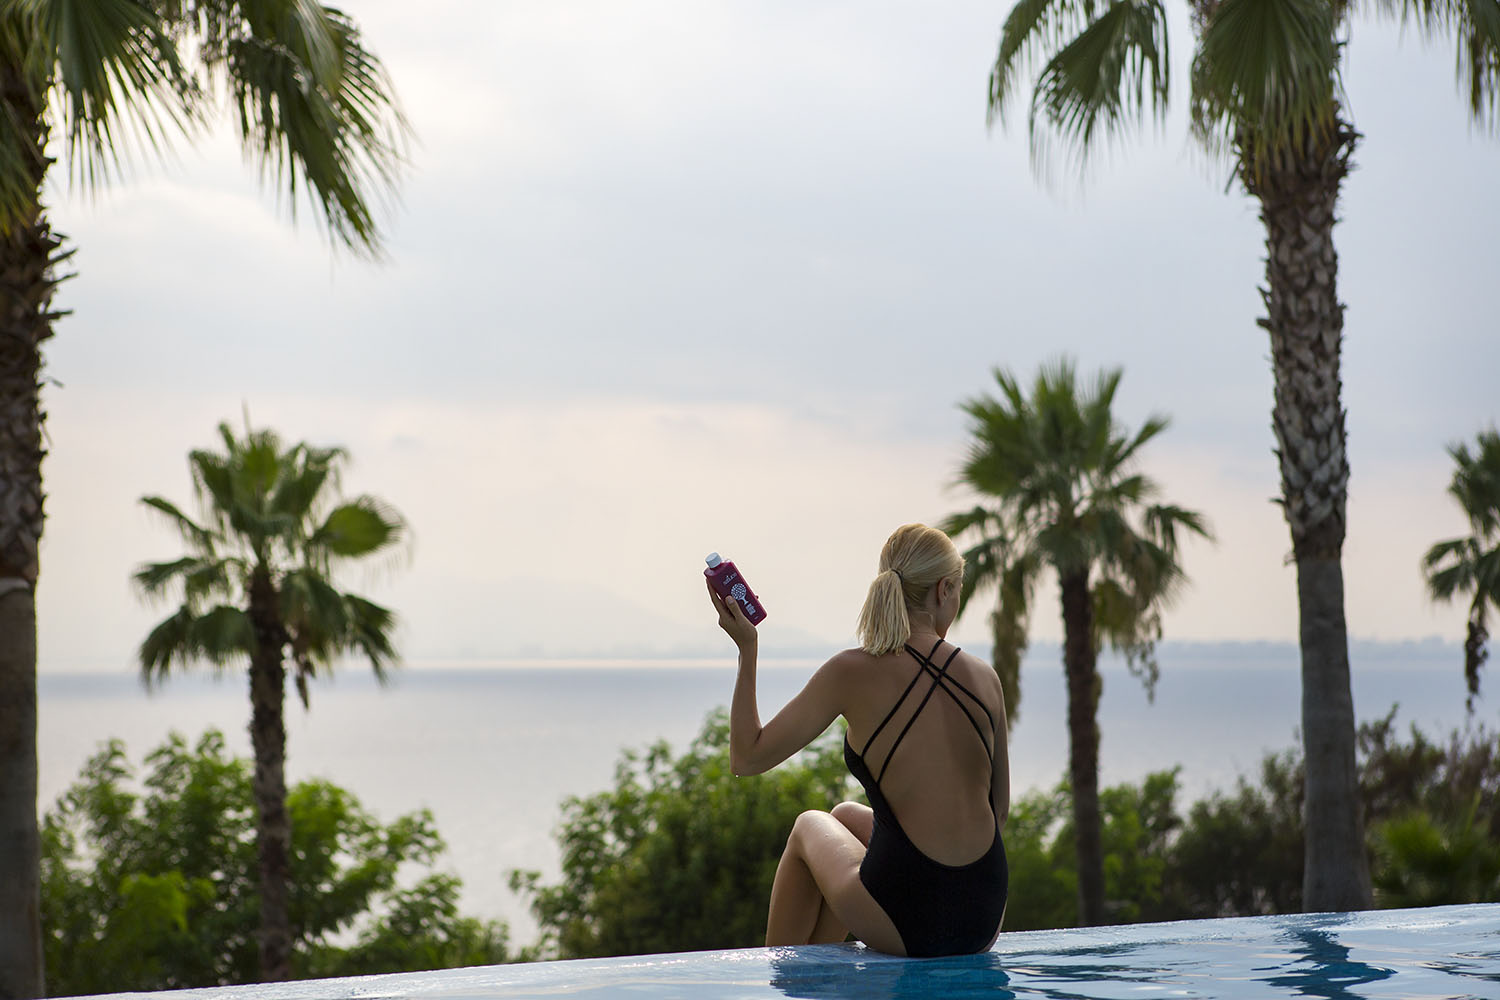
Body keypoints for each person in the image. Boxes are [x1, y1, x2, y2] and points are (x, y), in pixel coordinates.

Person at [705, 523, 1009, 957]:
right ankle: (818, 972)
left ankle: (787, 979)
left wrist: (747, 649)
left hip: (912, 926)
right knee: (846, 814)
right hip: (984, 916)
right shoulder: (985, 677)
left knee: (809, 825)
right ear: (944, 590)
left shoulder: (852, 671)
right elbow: (999, 813)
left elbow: (747, 757)